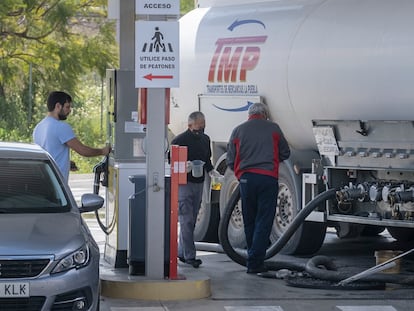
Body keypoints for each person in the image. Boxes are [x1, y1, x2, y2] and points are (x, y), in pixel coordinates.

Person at [226, 102, 290, 274]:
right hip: (268, 178)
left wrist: (241, 174)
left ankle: (252, 259)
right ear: (265, 114)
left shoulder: (238, 130)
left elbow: (230, 160)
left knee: (250, 220)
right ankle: (255, 262)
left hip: (246, 180)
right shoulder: (274, 129)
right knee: (264, 220)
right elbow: (285, 153)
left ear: (249, 115)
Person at [171, 111, 221, 268]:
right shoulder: (180, 140)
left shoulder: (205, 139)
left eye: (203, 125)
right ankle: (190, 256)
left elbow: (207, 160)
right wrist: (184, 166)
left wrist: (213, 171)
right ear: (190, 125)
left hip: (199, 183)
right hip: (184, 184)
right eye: (198, 126)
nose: (201, 129)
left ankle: (182, 251)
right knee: (186, 219)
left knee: (192, 219)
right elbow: (170, 160)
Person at [33, 91, 111, 181]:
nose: (69, 110)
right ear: (58, 106)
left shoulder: (38, 127)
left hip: (44, 179)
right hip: (57, 183)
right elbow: (82, 150)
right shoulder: (61, 127)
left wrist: (66, 163)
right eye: (67, 107)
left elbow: (47, 153)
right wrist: (102, 151)